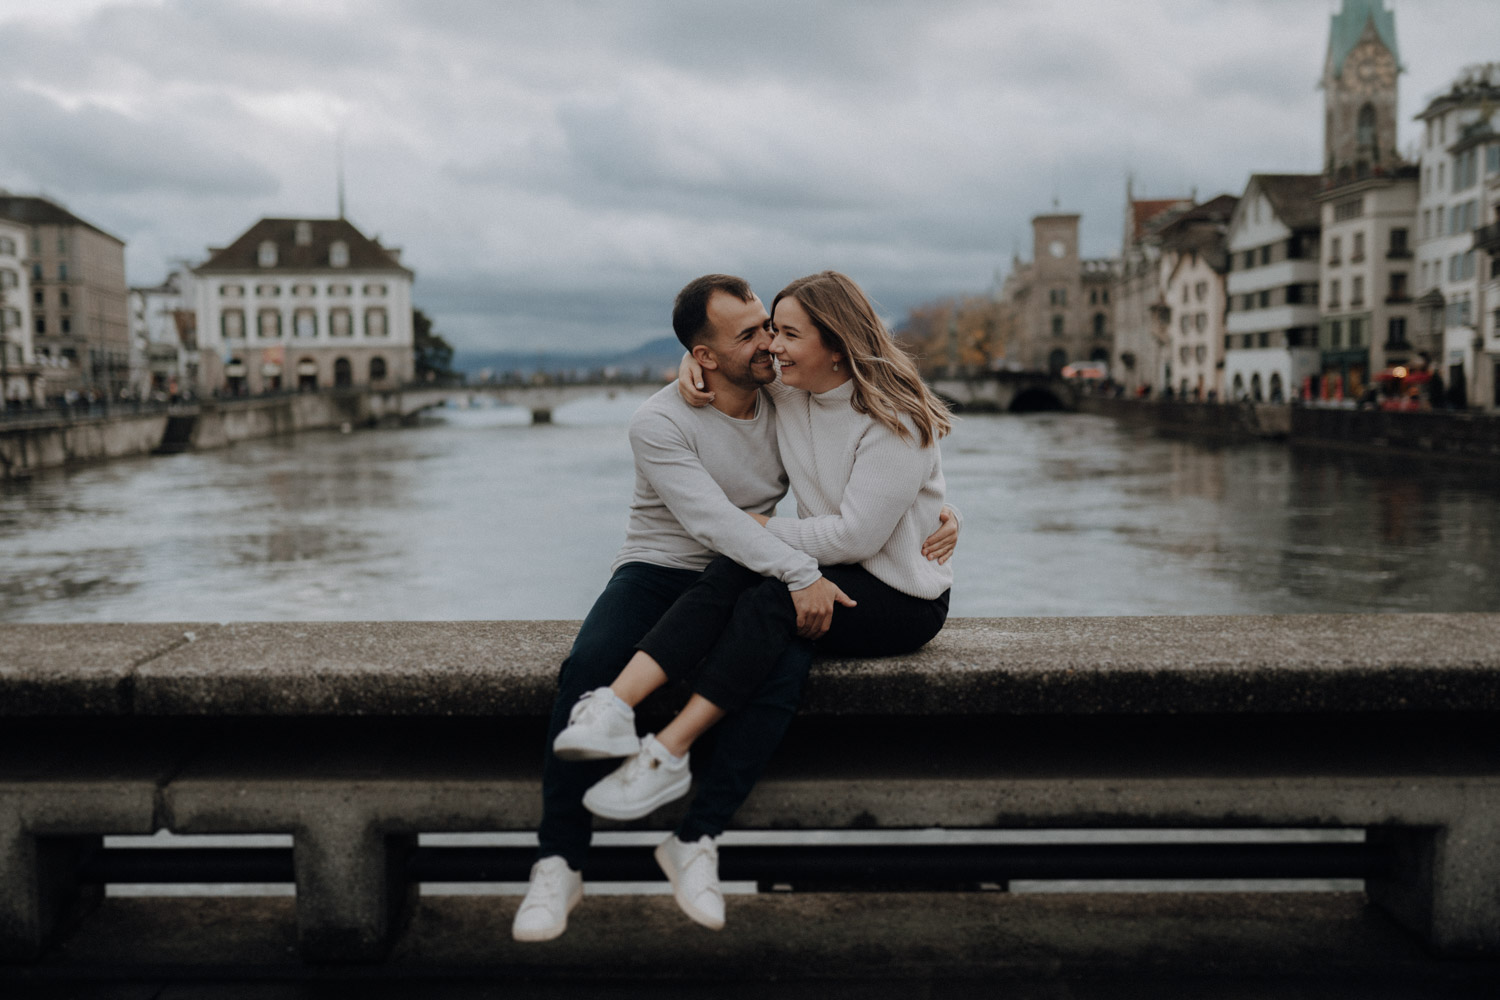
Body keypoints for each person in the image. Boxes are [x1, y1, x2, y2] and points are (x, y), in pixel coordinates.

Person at [513, 273, 958, 942]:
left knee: (781, 667)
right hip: (668, 567)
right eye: (750, 334)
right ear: (704, 356)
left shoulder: (784, 389)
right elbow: (717, 526)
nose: (768, 346)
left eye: (770, 329)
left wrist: (943, 512)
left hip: (758, 567)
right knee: (587, 667)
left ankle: (697, 839)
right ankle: (560, 861)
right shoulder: (661, 420)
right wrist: (801, 570)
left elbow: (882, 455)